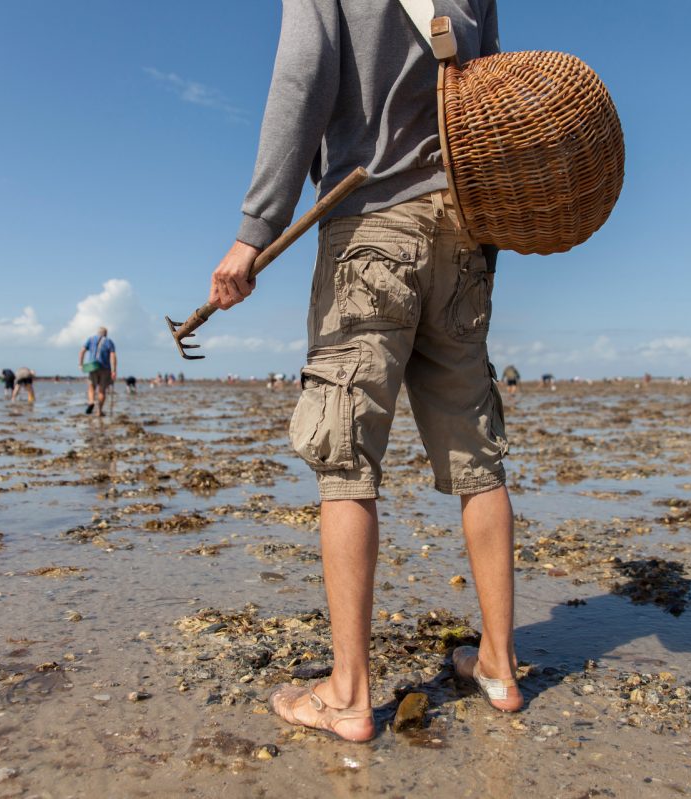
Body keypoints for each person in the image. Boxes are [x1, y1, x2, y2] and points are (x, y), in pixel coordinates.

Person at [208, 0, 517, 742]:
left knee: (344, 458)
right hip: (463, 230)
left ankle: (348, 693)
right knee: (478, 457)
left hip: (368, 225)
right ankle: (500, 666)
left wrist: (254, 232)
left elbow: (300, 82)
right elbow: (491, 89)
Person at [78, 326, 117, 416]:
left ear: (98, 333)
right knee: (102, 390)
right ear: (106, 334)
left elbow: (82, 351)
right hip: (105, 368)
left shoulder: (90, 340)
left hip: (92, 367)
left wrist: (80, 364)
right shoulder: (109, 342)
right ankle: (99, 411)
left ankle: (91, 402)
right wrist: (114, 370)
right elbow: (113, 356)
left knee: (91, 387)